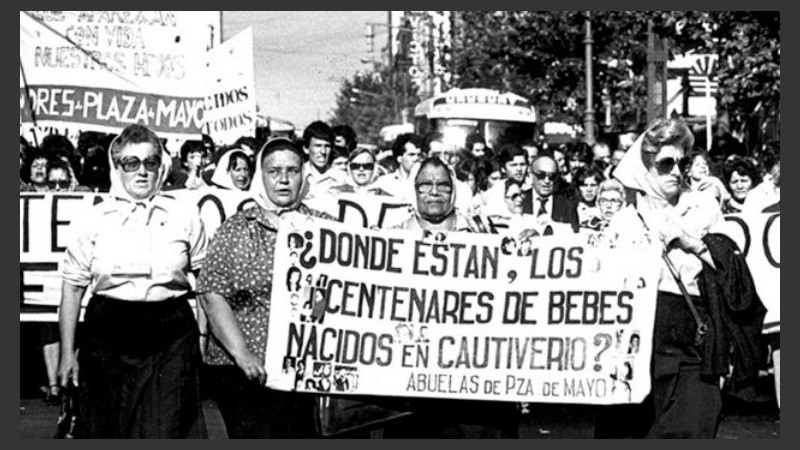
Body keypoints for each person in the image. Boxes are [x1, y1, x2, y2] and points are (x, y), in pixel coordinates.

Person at [611, 117, 765, 438]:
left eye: (681, 163)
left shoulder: (703, 206)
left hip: (693, 331)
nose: (676, 172)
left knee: (695, 425)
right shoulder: (625, 219)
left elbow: (734, 272)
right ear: (645, 167)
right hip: (639, 339)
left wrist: (690, 242)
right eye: (665, 164)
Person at [57, 124, 208, 438]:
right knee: (107, 430)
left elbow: (205, 280)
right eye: (131, 163)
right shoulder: (92, 218)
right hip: (108, 333)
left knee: (164, 430)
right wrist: (67, 353)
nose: (142, 171)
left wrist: (203, 337)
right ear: (117, 167)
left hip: (170, 333)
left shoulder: (184, 214)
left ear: (161, 166)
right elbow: (72, 288)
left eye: (150, 162)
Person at [197, 137, 335, 438]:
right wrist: (243, 355)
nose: (283, 180)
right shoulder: (237, 228)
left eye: (292, 171)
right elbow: (212, 293)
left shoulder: (327, 228)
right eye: (274, 171)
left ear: (304, 175)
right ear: (261, 176)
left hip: (306, 374)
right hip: (246, 373)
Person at [385, 157, 518, 438]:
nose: (434, 192)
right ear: (413, 190)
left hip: (474, 392)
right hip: (411, 393)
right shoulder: (391, 239)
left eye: (443, 185)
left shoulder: (484, 236)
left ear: (454, 190)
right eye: (425, 185)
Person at [521, 155, 579, 233]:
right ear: (531, 175)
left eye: (552, 176)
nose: (547, 181)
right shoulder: (520, 200)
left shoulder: (568, 205)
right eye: (541, 175)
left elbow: (574, 234)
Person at [373, 133, 425, 203]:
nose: (416, 159)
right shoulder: (385, 182)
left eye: (419, 155)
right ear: (399, 158)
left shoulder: (426, 182)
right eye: (411, 155)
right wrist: (411, 178)